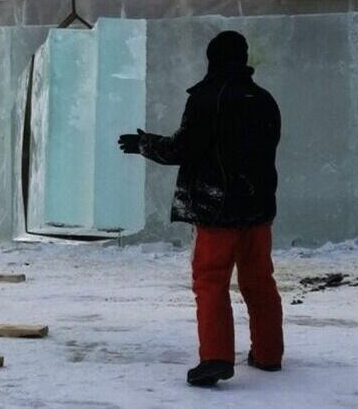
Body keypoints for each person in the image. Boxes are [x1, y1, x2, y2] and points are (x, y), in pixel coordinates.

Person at [118, 31, 283, 388]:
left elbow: (183, 148)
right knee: (259, 282)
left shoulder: (208, 98)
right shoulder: (265, 100)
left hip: (216, 210)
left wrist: (144, 144)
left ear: (212, 59)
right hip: (258, 208)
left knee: (210, 282)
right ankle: (269, 354)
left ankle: (216, 358)